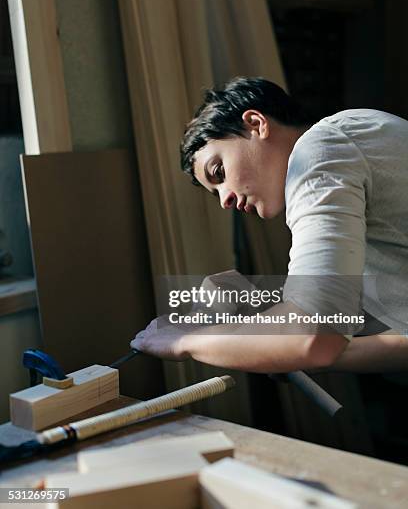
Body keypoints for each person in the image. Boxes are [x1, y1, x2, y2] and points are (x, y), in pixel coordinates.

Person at [131, 77, 408, 373]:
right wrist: (263, 304)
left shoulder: (321, 151)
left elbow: (313, 336)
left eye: (219, 171)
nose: (225, 200)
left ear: (255, 123)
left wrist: (184, 340)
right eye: (216, 194)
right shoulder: (345, 152)